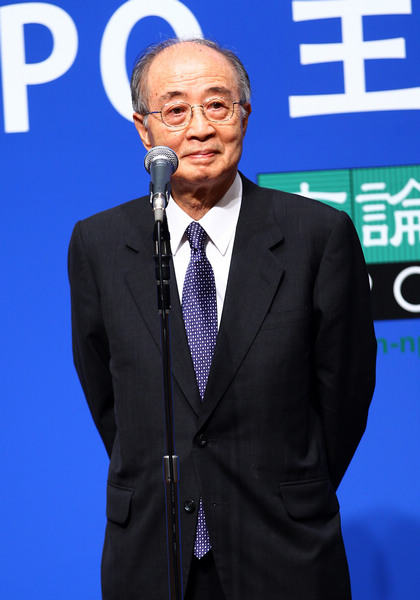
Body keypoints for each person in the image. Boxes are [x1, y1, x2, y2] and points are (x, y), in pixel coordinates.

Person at [68, 38, 376, 600]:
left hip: (283, 548)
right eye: (175, 110)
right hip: (151, 553)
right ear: (145, 129)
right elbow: (107, 396)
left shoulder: (317, 236)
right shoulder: (100, 243)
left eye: (217, 105)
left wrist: (289, 486)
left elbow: (345, 396)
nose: (199, 128)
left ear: (244, 116)